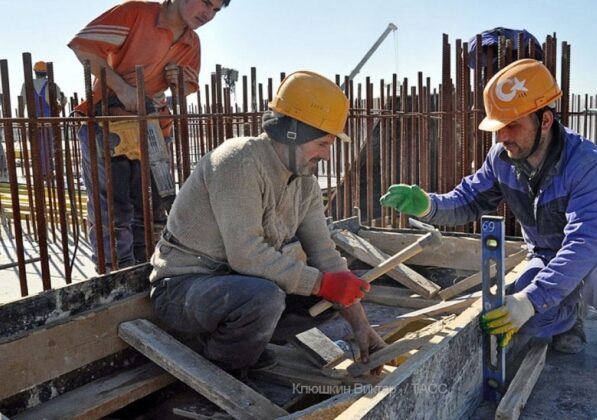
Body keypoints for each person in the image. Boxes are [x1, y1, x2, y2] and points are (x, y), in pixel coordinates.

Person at [380, 59, 597, 394]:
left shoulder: (587, 163)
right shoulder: (502, 158)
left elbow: (585, 242)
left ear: (545, 121)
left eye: (511, 125)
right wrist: (430, 206)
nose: (501, 137)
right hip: (546, 253)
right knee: (529, 316)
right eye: (497, 127)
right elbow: (470, 200)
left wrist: (531, 299)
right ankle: (569, 317)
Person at [148, 71, 387, 375]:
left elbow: (326, 257)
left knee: (325, 297)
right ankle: (221, 373)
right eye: (322, 144)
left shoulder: (305, 184)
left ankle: (242, 344)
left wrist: (361, 326)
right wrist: (322, 283)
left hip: (236, 285)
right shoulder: (238, 162)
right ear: (293, 133)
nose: (327, 155)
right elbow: (246, 254)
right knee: (266, 298)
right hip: (183, 288)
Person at [67, 0, 230, 270]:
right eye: (205, 3)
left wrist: (178, 84)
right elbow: (83, 48)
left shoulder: (192, 41)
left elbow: (185, 89)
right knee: (113, 214)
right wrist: (121, 88)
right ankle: (115, 278)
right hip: (108, 125)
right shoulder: (136, 14)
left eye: (215, 10)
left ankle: (144, 273)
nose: (208, 14)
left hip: (153, 131)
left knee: (149, 212)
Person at [19, 61, 67, 178]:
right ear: (47, 73)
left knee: (36, 145)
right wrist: (60, 108)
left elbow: (21, 103)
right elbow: (63, 100)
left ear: (34, 72)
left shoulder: (27, 84)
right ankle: (46, 171)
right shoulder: (52, 85)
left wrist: (21, 120)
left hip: (32, 119)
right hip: (48, 119)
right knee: (47, 145)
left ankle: (40, 170)